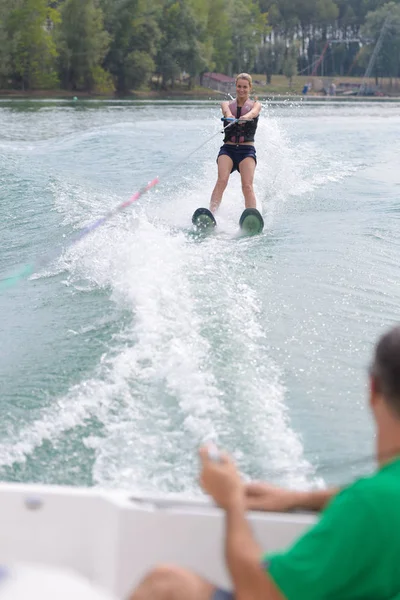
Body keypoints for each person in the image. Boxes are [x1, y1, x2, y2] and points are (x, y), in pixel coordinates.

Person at [129, 324, 400, 600]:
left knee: (167, 586)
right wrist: (298, 499)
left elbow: (259, 595)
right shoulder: (377, 499)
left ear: (373, 387)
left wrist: (232, 499)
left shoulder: (369, 504)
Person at [209, 73, 262, 215]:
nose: (241, 90)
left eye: (245, 87)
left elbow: (254, 113)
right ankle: (211, 214)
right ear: (235, 87)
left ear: (250, 88)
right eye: (239, 86)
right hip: (228, 150)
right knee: (222, 181)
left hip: (246, 151)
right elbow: (226, 111)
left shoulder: (256, 105)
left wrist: (246, 116)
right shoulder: (226, 104)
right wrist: (230, 116)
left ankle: (251, 215)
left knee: (247, 186)